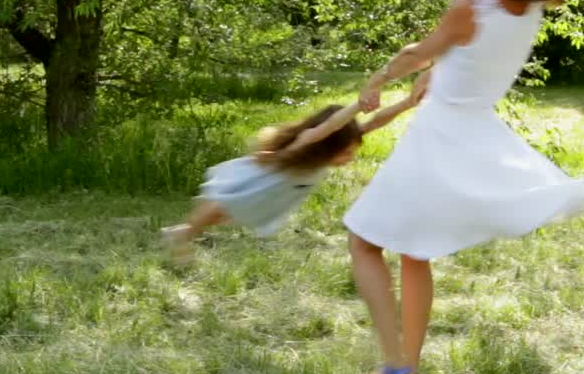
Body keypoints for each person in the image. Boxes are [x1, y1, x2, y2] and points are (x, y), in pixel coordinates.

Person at [346, 0, 584, 374]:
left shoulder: (466, 9)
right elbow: (466, 58)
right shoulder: (527, 13)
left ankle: (396, 367)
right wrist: (438, 71)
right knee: (412, 250)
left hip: (437, 139)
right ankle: (406, 370)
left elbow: (419, 53)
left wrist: (380, 79)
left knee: (363, 241)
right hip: (473, 135)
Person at [162, 74, 430, 265]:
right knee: (224, 202)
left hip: (273, 192)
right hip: (261, 178)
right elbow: (330, 125)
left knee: (225, 215)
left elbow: (375, 122)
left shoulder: (325, 150)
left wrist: (408, 102)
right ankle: (182, 234)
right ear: (327, 145)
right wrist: (357, 105)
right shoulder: (306, 143)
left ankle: (186, 230)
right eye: (346, 152)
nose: (350, 158)